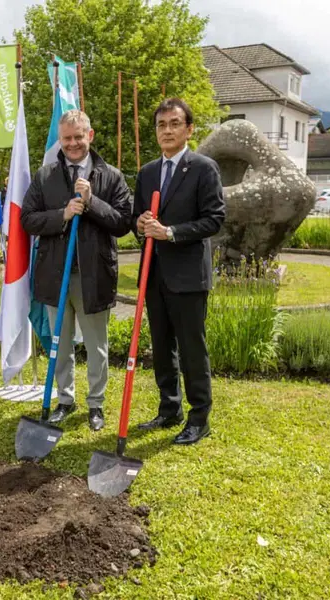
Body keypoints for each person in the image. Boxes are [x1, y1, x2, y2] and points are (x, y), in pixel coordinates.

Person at [21, 109, 133, 431]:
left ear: (90, 136)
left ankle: (96, 404)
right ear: (60, 138)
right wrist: (63, 214)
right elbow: (27, 220)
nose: (72, 144)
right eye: (66, 138)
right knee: (61, 341)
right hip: (56, 276)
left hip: (93, 275)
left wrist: (92, 201)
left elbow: (123, 223)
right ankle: (64, 399)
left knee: (97, 344)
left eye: (78, 137)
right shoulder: (45, 176)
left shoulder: (110, 176)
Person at [133, 98, 226, 445]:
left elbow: (214, 219)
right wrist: (140, 224)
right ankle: (168, 408)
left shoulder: (203, 168)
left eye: (174, 124)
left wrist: (171, 233)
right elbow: (136, 218)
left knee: (191, 348)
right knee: (161, 347)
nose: (167, 130)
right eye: (161, 125)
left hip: (187, 277)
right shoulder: (147, 173)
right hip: (154, 275)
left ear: (188, 129)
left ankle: (199, 417)